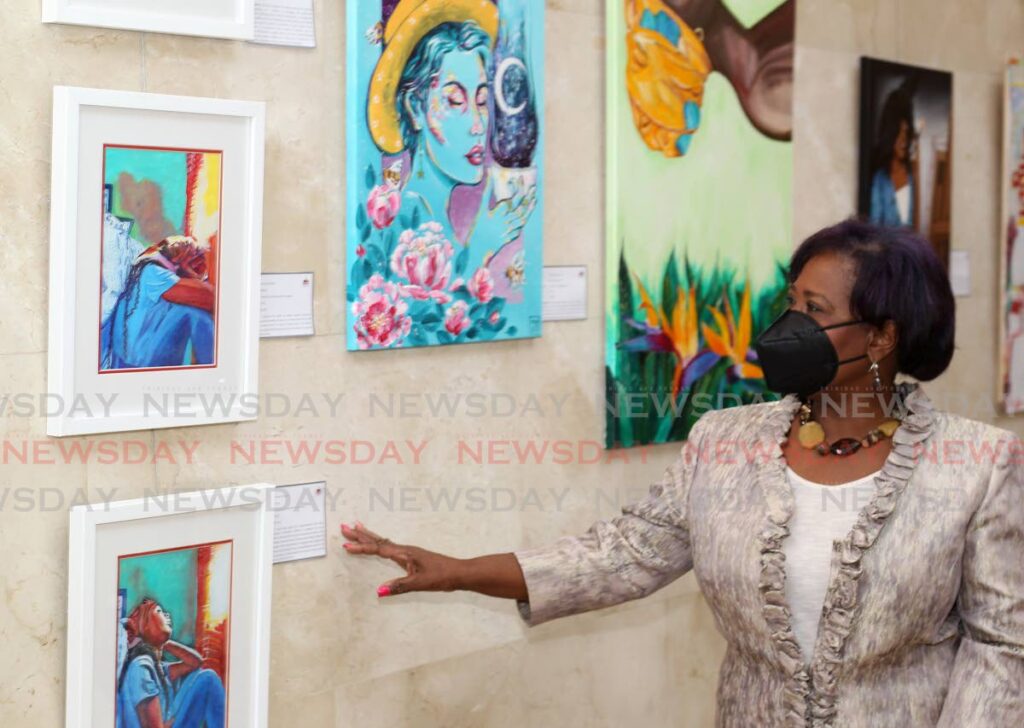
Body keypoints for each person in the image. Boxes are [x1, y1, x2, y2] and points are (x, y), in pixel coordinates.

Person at [342, 220, 1024, 726]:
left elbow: (1002, 646)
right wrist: (460, 569)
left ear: (881, 337)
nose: (786, 322)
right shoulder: (723, 444)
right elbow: (624, 554)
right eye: (791, 300)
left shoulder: (978, 467)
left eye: (814, 312)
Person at [365, 0, 536, 292]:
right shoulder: (404, 218)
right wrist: (483, 242)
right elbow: (421, 306)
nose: (478, 126)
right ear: (415, 108)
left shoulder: (432, 217)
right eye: (455, 101)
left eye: (482, 102)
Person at [101, 235, 215, 370]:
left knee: (191, 311)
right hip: (135, 362)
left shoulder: (149, 270)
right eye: (194, 256)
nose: (199, 265)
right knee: (195, 314)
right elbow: (209, 298)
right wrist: (191, 271)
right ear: (179, 256)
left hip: (137, 359)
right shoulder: (152, 272)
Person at [117, 598, 225, 728]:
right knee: (208, 679)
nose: (167, 615)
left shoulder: (158, 666)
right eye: (159, 611)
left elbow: (196, 662)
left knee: (205, 676)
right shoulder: (141, 667)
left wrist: (161, 641)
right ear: (147, 625)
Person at [868, 79, 918, 228]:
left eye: (906, 133)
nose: (904, 140)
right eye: (899, 133)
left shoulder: (910, 176)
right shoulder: (880, 180)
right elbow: (874, 229)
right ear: (890, 134)